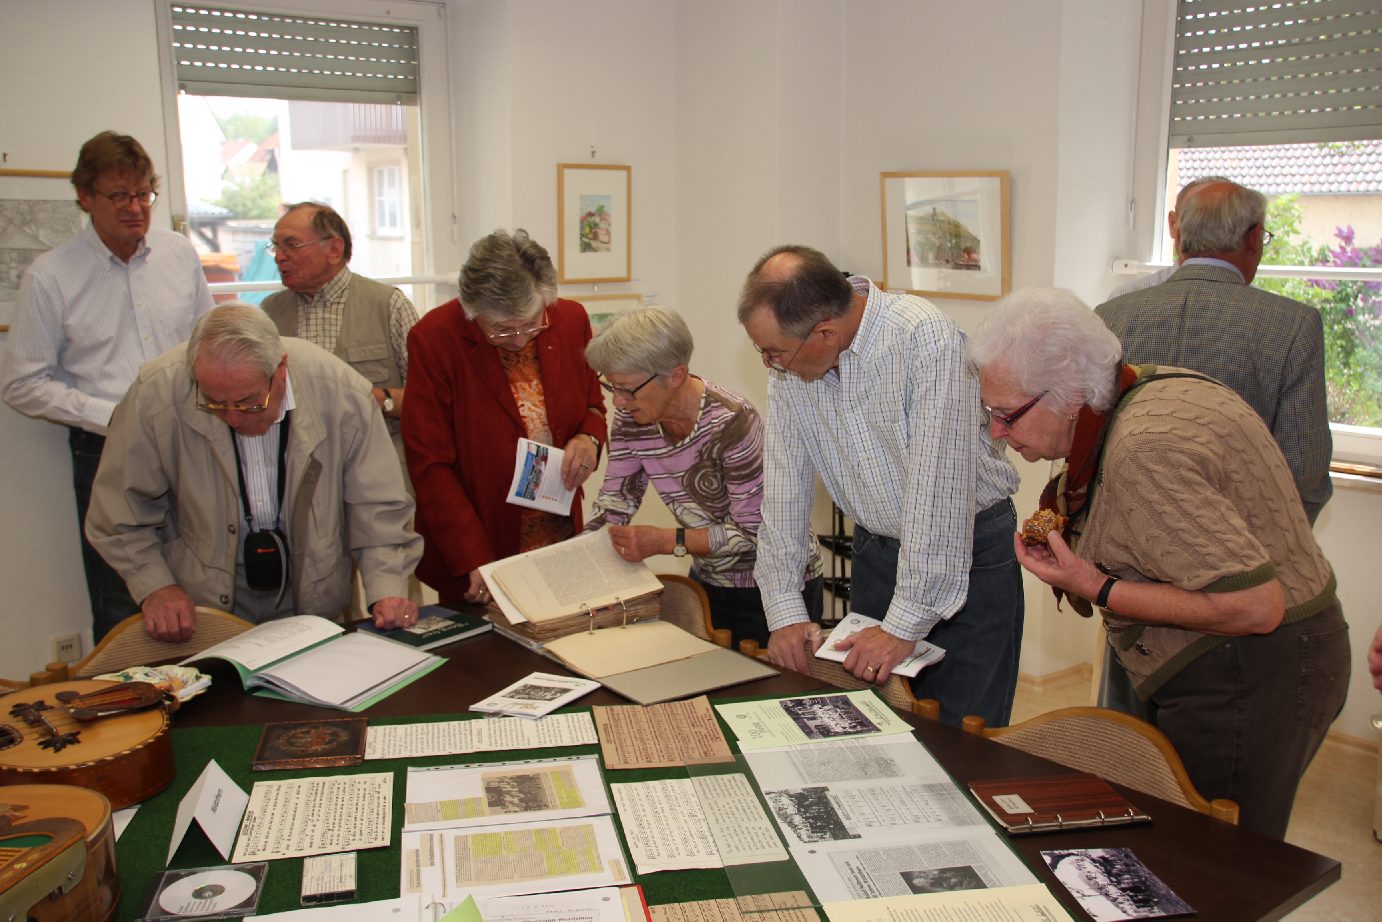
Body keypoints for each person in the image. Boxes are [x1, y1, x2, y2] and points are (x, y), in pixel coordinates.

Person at [968, 286, 1349, 839]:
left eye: (1006, 416)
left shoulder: (1143, 449)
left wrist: (1095, 585)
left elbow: (1255, 606)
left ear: (1070, 395)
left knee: (1217, 858)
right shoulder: (1144, 388)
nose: (997, 433)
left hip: (1254, 671)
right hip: (1245, 657)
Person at [736, 245, 1022, 727]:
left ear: (825, 333)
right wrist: (784, 607)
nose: (769, 364)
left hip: (969, 557)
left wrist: (902, 627)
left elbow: (938, 498)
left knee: (963, 736)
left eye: (775, 353)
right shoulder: (793, 364)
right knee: (878, 726)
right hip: (879, 556)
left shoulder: (925, 340)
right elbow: (783, 490)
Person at [86, 304, 422, 642]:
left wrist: (387, 589)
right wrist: (156, 586)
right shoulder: (154, 395)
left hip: (314, 597)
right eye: (215, 403)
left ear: (280, 371)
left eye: (248, 403)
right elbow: (118, 514)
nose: (233, 418)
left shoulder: (342, 393)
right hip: (202, 604)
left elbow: (377, 506)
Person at [1, 131, 214, 640]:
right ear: (84, 197)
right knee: (124, 597)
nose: (135, 208)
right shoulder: (51, 276)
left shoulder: (178, 253)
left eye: (143, 193)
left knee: (203, 580)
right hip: (106, 450)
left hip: (190, 439)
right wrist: (112, 416)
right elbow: (23, 384)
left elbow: (207, 340)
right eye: (119, 195)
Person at [582, 306, 824, 648]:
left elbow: (753, 532)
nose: (618, 403)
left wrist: (665, 541)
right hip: (708, 578)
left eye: (627, 389)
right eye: (611, 387)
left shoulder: (732, 422)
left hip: (775, 586)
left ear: (675, 375)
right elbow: (614, 503)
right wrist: (578, 560)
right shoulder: (632, 419)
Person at [1097, 179, 1332, 522]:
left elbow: (1088, 442)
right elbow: (1303, 470)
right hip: (1241, 538)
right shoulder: (1293, 325)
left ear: (1180, 235)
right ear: (1253, 239)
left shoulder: (1111, 316)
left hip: (1125, 528)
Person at [403, 229, 606, 606]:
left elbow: (594, 404)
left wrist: (588, 439)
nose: (519, 339)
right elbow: (430, 463)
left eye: (531, 324)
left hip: (557, 530)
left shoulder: (569, 320)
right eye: (501, 330)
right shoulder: (434, 339)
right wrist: (472, 555)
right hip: (480, 535)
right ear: (471, 310)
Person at [261, 202, 418, 467]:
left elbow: (431, 400)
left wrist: (376, 400)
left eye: (291, 245)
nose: (279, 257)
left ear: (334, 249)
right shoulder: (269, 314)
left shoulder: (389, 305)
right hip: (298, 469)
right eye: (275, 246)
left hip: (379, 464)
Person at [1106, 174, 1229, 298]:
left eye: (1224, 222)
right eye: (1196, 221)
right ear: (1173, 224)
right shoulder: (1124, 298)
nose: (1210, 233)